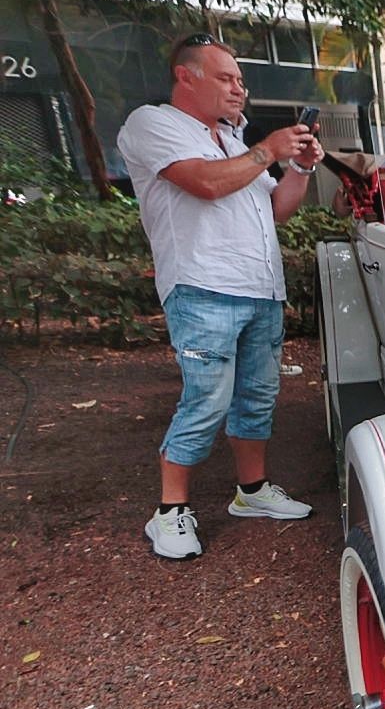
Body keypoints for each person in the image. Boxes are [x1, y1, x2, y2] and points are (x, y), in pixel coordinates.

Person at [116, 32, 319, 560]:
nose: (239, 90)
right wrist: (266, 150)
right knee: (206, 399)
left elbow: (276, 210)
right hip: (203, 285)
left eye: (241, 81)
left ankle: (251, 493)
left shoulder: (234, 143)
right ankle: (169, 512)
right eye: (227, 77)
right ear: (187, 75)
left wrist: (297, 166)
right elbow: (203, 184)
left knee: (257, 397)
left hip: (260, 288)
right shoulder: (153, 124)